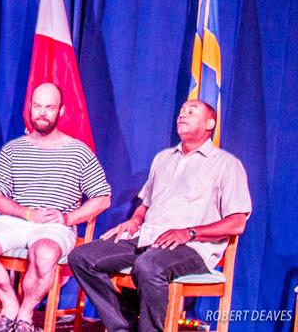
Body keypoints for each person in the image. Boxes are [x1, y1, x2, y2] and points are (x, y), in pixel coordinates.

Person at [68, 100, 252, 332]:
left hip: (193, 247)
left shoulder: (226, 165)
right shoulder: (163, 159)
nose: (182, 115)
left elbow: (237, 223)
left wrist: (190, 232)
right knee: (82, 256)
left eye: (191, 112)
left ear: (210, 123)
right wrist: (135, 220)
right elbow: (145, 204)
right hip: (148, 239)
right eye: (182, 111)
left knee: (149, 266)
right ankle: (122, 326)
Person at [0, 82, 112, 332]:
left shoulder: (78, 151)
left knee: (44, 253)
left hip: (54, 226)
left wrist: (68, 218)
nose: (42, 113)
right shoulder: (13, 150)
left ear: (61, 111)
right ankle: (10, 305)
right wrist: (26, 213)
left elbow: (103, 197)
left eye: (49, 107)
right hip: (18, 219)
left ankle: (25, 315)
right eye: (37, 106)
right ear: (30, 108)